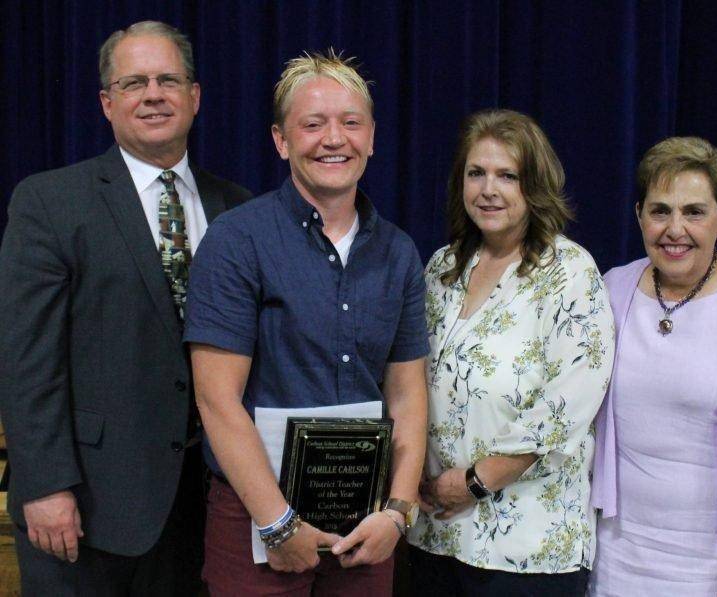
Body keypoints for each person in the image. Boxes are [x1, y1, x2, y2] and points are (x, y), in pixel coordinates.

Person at [0, 21, 251, 596]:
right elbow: (26, 361)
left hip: (207, 503)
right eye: (134, 82)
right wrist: (44, 487)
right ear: (107, 102)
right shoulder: (50, 201)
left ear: (195, 96)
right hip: (86, 506)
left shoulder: (237, 209)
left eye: (168, 79)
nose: (153, 94)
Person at [183, 50, 429, 596]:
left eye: (350, 123)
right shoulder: (236, 240)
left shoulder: (399, 253)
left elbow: (409, 396)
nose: (333, 139)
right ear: (281, 140)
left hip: (365, 528)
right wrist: (278, 522)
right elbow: (217, 399)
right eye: (312, 124)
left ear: (372, 137)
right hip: (254, 518)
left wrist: (398, 513)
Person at [405, 109, 615, 596]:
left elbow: (568, 403)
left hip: (527, 547)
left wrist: (477, 481)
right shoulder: (442, 267)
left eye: (507, 176)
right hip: (436, 531)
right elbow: (409, 377)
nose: (488, 190)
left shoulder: (569, 271)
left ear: (534, 186)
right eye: (476, 173)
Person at [589, 137, 717, 597]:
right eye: (660, 210)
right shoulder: (611, 289)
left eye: (694, 212)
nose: (674, 228)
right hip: (618, 559)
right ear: (639, 215)